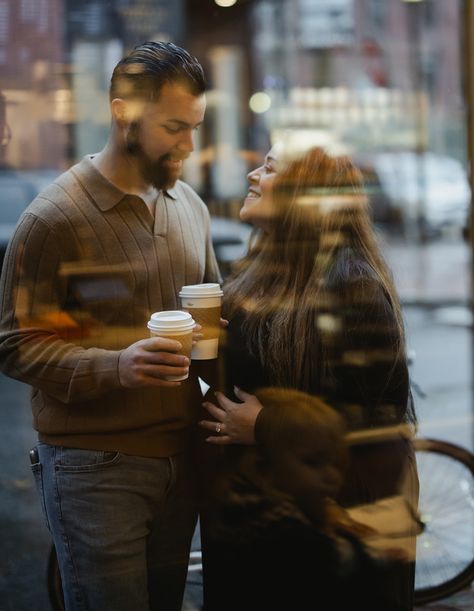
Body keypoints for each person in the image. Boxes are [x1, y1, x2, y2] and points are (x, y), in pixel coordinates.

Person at [0, 41, 221, 611]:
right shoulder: (54, 217)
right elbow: (15, 345)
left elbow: (214, 314)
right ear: (123, 111)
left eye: (194, 127)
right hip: (95, 471)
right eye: (174, 127)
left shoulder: (189, 204)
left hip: (181, 458)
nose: (189, 145)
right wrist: (117, 365)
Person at [197, 143, 419, 610]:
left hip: (324, 528)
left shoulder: (352, 285)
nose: (253, 174)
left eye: (270, 168)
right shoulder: (262, 270)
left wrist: (265, 425)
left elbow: (381, 421)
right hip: (263, 516)